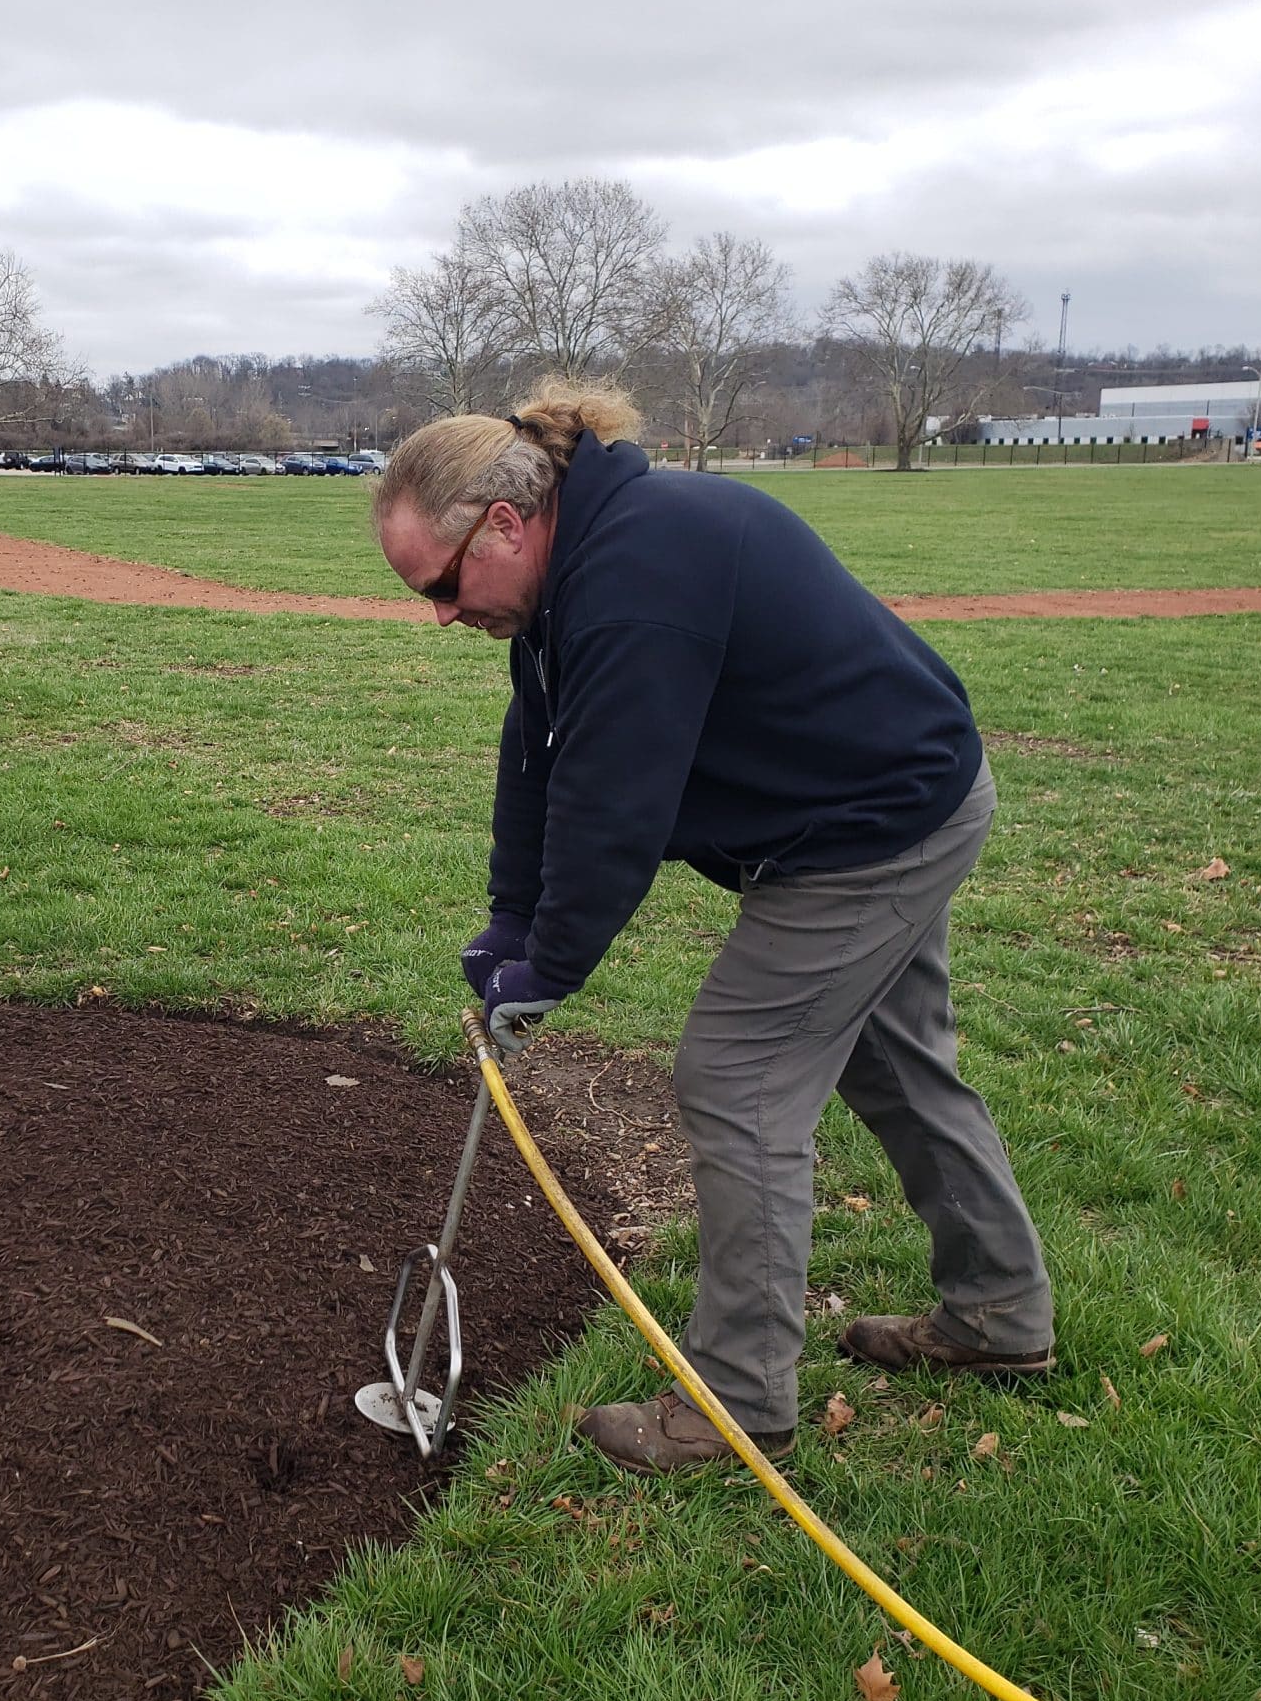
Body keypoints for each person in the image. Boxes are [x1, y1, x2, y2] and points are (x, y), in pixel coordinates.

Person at [374, 383, 1053, 1477]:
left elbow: (613, 809)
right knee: (897, 1068)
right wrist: (510, 910)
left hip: (875, 825)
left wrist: (547, 962)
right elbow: (537, 751)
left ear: (505, 521)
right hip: (876, 802)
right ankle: (1001, 1316)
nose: (442, 614)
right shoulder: (577, 572)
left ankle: (737, 1410)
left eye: (445, 586)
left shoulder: (634, 579)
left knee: (735, 1075)